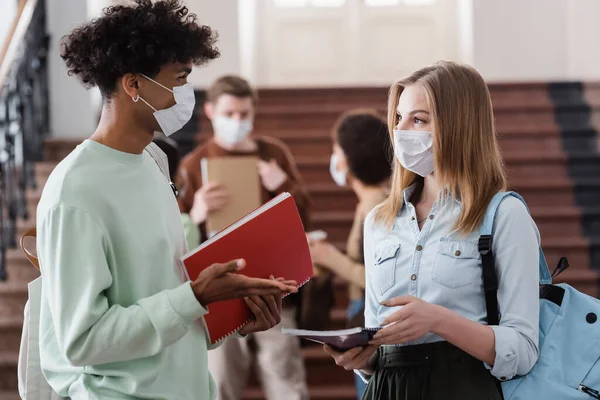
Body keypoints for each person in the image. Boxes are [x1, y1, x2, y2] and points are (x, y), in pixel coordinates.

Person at [35, 2, 298, 399]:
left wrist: (233, 315)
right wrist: (195, 296)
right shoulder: (75, 190)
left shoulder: (154, 162)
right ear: (134, 85)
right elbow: (83, 341)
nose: (187, 93)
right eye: (180, 78)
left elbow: (164, 299)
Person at [324, 61, 541, 400]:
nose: (400, 131)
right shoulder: (380, 220)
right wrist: (363, 360)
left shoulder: (504, 214)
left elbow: (523, 349)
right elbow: (378, 336)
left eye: (419, 120)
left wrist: (439, 321)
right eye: (398, 118)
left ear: (460, 126)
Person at [177, 75, 310, 400]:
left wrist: (283, 185)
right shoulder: (194, 163)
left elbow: (303, 215)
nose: (237, 121)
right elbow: (177, 231)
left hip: (274, 282)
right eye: (229, 114)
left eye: (244, 114)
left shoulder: (273, 153)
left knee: (285, 378)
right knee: (219, 380)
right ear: (210, 111)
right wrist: (196, 213)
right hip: (221, 290)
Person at [308, 109, 391, 400]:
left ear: (349, 159)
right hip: (363, 311)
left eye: (336, 150)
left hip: (371, 315)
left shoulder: (376, 207)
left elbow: (382, 279)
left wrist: (328, 256)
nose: (334, 158)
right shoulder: (371, 202)